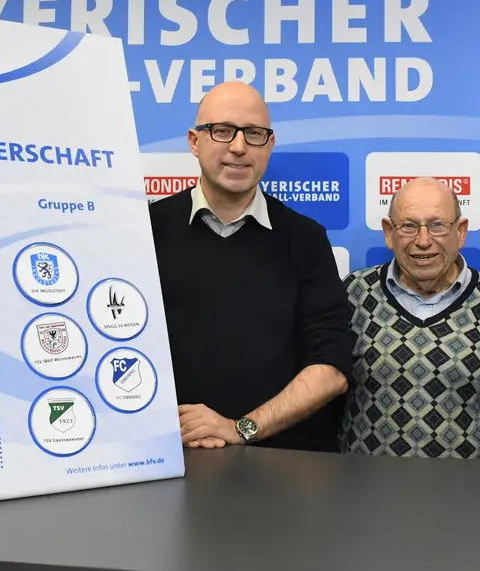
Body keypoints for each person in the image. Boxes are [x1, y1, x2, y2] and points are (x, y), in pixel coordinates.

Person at [149, 80, 353, 451]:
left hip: (285, 472)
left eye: (254, 134)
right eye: (222, 131)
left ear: (270, 145)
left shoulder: (305, 239)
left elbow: (331, 369)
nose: (239, 147)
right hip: (169, 460)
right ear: (195, 142)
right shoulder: (145, 231)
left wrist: (240, 428)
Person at [339, 177, 480, 459]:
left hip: (474, 495)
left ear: (461, 232)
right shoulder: (354, 294)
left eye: (437, 226)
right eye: (409, 226)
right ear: (389, 233)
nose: (423, 241)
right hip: (369, 492)